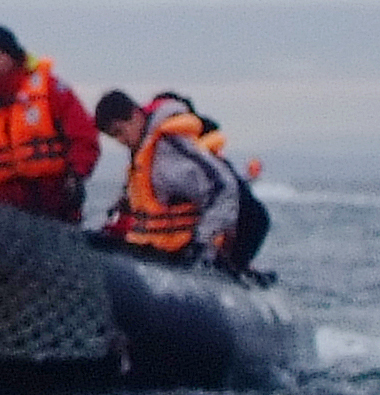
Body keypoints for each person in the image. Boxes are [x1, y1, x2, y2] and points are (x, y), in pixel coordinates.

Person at [95, 88, 263, 271]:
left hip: (188, 250)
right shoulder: (143, 154)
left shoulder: (168, 148)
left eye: (120, 131)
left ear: (136, 115)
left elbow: (223, 189)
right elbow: (134, 208)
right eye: (114, 136)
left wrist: (199, 245)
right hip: (162, 248)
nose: (120, 140)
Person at [0, 27, 97, 221]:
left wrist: (77, 176)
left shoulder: (51, 90)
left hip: (53, 204)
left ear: (11, 55)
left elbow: (83, 137)